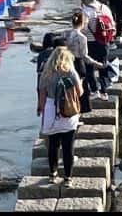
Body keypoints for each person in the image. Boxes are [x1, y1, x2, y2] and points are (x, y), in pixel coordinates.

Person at [36, 47, 83, 186]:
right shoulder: (70, 71)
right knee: (68, 146)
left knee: (53, 144)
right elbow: (80, 92)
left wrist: (41, 109)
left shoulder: (46, 72)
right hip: (68, 110)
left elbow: (42, 94)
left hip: (51, 109)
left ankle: (52, 174)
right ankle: (68, 178)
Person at [66, 11, 108, 113]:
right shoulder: (82, 38)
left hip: (68, 62)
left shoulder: (66, 33)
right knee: (82, 89)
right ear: (83, 23)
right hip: (79, 64)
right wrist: (97, 64)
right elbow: (84, 56)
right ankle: (81, 110)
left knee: (70, 89)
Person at [80, 0, 115, 100]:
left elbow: (83, 29)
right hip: (104, 42)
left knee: (89, 67)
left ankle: (95, 90)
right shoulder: (104, 8)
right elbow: (112, 24)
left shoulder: (85, 12)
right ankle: (104, 92)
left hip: (90, 43)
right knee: (103, 66)